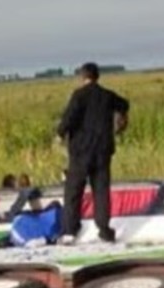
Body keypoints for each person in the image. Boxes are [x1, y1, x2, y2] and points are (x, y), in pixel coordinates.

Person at [56, 62, 130, 244]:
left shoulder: (79, 95)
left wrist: (60, 133)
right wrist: (122, 119)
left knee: (74, 190)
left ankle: (70, 230)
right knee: (101, 191)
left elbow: (69, 118)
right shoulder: (107, 95)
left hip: (81, 151)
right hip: (103, 151)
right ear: (97, 76)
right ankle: (104, 229)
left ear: (83, 76)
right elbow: (124, 104)